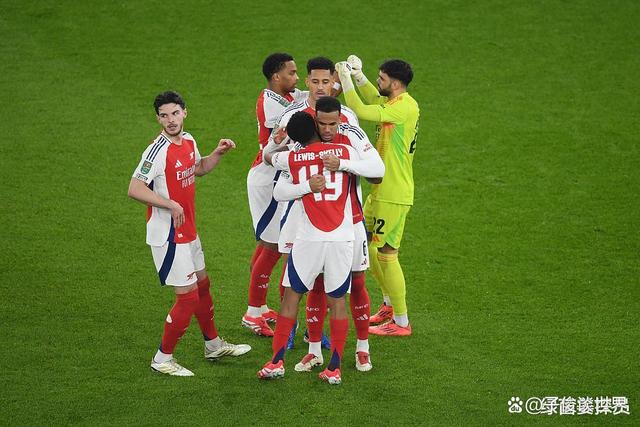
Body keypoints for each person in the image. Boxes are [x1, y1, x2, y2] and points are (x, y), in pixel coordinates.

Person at [128, 91, 251, 376]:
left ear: (185, 112)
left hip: (189, 231)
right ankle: (162, 359)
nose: (170, 120)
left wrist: (217, 154)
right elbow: (134, 188)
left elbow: (198, 168)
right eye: (164, 116)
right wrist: (169, 204)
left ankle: (213, 345)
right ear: (158, 119)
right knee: (187, 298)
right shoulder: (156, 152)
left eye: (175, 113)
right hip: (169, 236)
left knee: (203, 286)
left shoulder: (189, 140)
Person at [269, 96, 384, 372]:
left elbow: (377, 171)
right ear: (315, 120)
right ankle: (314, 351)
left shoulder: (352, 136)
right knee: (317, 285)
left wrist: (342, 164)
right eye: (323, 124)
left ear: (341, 120)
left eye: (333, 124)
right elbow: (279, 175)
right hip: (316, 225)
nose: (328, 129)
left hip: (351, 224)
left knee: (356, 284)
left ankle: (363, 348)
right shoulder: (303, 144)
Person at [262, 57, 358, 350]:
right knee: (292, 269)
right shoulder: (292, 114)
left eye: (325, 81)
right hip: (298, 206)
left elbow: (357, 157)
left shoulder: (346, 116)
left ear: (333, 82)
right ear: (307, 82)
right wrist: (279, 149)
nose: (320, 87)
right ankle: (289, 329)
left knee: (323, 273)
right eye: (314, 81)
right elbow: (269, 153)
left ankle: (313, 333)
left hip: (333, 207)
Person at [258, 111, 360, 385]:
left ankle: (276, 361)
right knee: (337, 301)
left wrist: (279, 148)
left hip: (308, 239)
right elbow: (372, 169)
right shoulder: (344, 152)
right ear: (316, 126)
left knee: (292, 297)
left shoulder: (292, 159)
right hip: (341, 238)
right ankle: (334, 368)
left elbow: (277, 183)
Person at [336, 56, 420, 336]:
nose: (377, 81)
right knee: (368, 247)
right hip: (380, 191)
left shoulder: (405, 107)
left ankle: (401, 322)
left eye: (381, 78)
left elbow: (360, 108)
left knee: (386, 254)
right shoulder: (396, 101)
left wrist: (345, 78)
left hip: (393, 194)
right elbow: (375, 99)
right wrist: (359, 76)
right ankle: (388, 304)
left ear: (395, 84)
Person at [243, 53, 308, 337]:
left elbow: (313, 96)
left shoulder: (287, 95)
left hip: (274, 174)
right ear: (276, 76)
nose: (297, 77)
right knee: (272, 247)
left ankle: (259, 307)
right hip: (268, 176)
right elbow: (297, 116)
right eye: (291, 73)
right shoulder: (271, 102)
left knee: (267, 245)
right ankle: (252, 313)